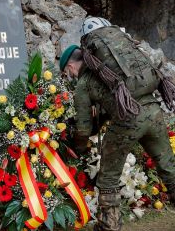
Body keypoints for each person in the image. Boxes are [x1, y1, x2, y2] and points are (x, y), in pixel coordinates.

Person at [59, 18, 175, 231]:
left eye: (68, 72)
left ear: (71, 64)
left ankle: (108, 226)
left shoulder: (85, 82)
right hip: (153, 111)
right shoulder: (116, 65)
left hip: (128, 121)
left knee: (108, 178)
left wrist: (78, 146)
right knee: (169, 169)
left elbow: (84, 129)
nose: (71, 76)